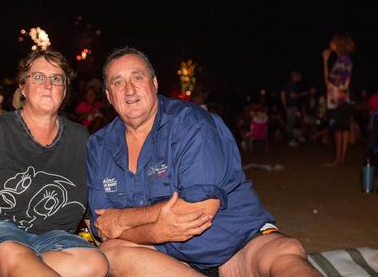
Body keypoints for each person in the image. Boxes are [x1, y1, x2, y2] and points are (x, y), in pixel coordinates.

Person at [87, 47, 320, 277]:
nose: (129, 90)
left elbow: (197, 212)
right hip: (166, 259)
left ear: (154, 83)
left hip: (236, 246)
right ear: (108, 96)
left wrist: (124, 219)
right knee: (109, 254)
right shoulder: (99, 145)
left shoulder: (191, 124)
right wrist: (156, 232)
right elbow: (102, 227)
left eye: (137, 77)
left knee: (284, 256)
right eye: (118, 82)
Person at [0, 50, 108, 277]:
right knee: (14, 253)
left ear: (64, 91)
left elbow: (88, 208)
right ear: (22, 88)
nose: (48, 85)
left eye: (56, 79)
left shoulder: (80, 139)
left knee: (95, 263)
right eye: (38, 77)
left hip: (49, 240)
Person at [322, 33, 355, 167]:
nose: (330, 42)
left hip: (338, 99)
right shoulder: (344, 60)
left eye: (333, 41)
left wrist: (324, 61)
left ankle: (338, 159)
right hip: (343, 99)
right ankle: (341, 158)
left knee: (338, 129)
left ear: (338, 44)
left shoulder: (342, 61)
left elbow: (328, 81)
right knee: (343, 128)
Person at [280, 71, 304, 147]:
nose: (299, 78)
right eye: (298, 76)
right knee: (290, 123)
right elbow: (292, 95)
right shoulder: (291, 84)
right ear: (295, 77)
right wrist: (301, 94)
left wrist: (284, 104)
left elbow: (282, 93)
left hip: (291, 106)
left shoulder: (289, 83)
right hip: (291, 106)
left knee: (293, 122)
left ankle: (294, 138)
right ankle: (290, 140)